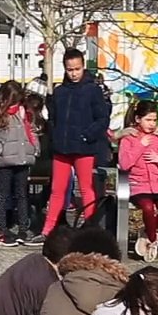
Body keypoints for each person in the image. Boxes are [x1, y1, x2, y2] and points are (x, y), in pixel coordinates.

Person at [39, 48, 111, 242]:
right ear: (65, 68)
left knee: (86, 189)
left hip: (83, 148)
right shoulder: (60, 91)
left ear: (83, 67)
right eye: (70, 69)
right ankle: (48, 230)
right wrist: (54, 135)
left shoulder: (93, 90)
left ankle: (90, 229)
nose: (73, 73)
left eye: (77, 69)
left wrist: (87, 136)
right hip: (62, 148)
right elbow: (52, 118)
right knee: (57, 190)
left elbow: (103, 118)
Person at [0, 81, 41, 245]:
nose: (15, 103)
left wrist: (35, 148)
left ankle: (23, 228)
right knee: (3, 196)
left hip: (22, 158)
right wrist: (0, 150)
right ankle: (1, 230)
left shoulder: (24, 112)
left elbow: (32, 131)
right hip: (5, 160)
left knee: (22, 196)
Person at [119, 100, 158, 261]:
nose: (152, 124)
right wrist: (140, 145)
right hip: (139, 185)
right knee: (147, 208)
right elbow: (124, 164)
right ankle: (153, 239)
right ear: (138, 119)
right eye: (148, 120)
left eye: (154, 120)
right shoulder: (128, 139)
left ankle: (147, 233)